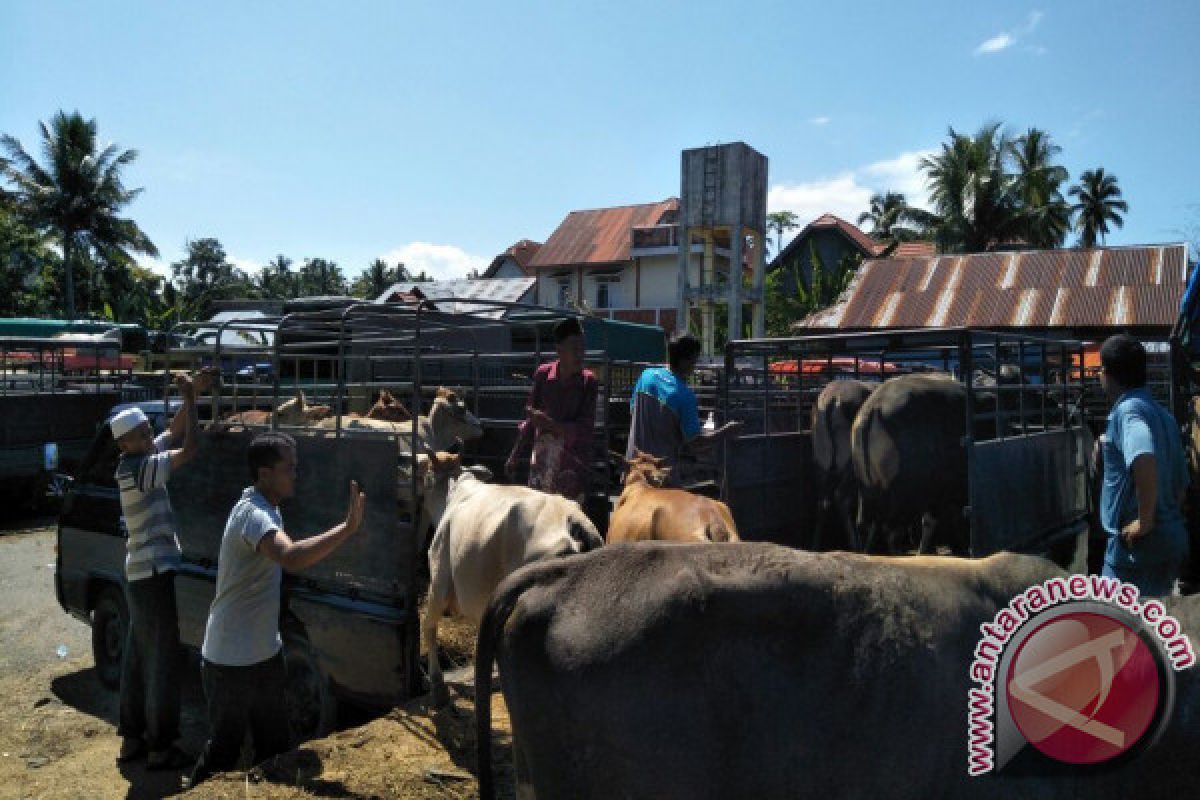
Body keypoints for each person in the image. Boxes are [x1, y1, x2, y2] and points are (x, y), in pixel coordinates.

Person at [187, 433, 365, 788]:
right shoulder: (253, 515)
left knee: (274, 747)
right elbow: (292, 557)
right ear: (265, 474)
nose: (295, 474)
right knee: (224, 753)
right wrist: (347, 529)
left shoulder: (269, 509)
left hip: (265, 654)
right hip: (230, 661)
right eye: (289, 468)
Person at [112, 370, 213, 770]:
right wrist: (191, 401)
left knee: (139, 658)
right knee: (163, 661)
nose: (149, 431)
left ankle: (132, 740)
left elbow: (171, 434)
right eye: (142, 430)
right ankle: (160, 746)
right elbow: (187, 451)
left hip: (140, 573)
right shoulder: (138, 468)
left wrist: (193, 396)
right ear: (127, 441)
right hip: (153, 574)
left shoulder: (135, 457)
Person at [1096, 334, 1189, 596]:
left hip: (1135, 552)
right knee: (1152, 628)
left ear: (1106, 373)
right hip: (1170, 539)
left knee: (1111, 626)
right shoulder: (1164, 416)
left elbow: (1143, 454)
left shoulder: (1128, 412)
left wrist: (1145, 522)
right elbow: (1181, 486)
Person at [626, 332, 740, 485]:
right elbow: (695, 443)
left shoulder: (646, 376)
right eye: (694, 359)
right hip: (661, 476)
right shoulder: (684, 395)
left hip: (633, 470)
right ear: (684, 361)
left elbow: (632, 410)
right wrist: (725, 432)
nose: (695, 364)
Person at [505, 317, 598, 504]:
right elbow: (530, 420)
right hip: (543, 463)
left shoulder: (589, 382)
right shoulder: (543, 374)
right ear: (559, 350)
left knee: (568, 522)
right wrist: (514, 455)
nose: (580, 354)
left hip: (572, 468)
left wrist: (550, 424)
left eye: (582, 347)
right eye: (574, 348)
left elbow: (585, 428)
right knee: (537, 515)